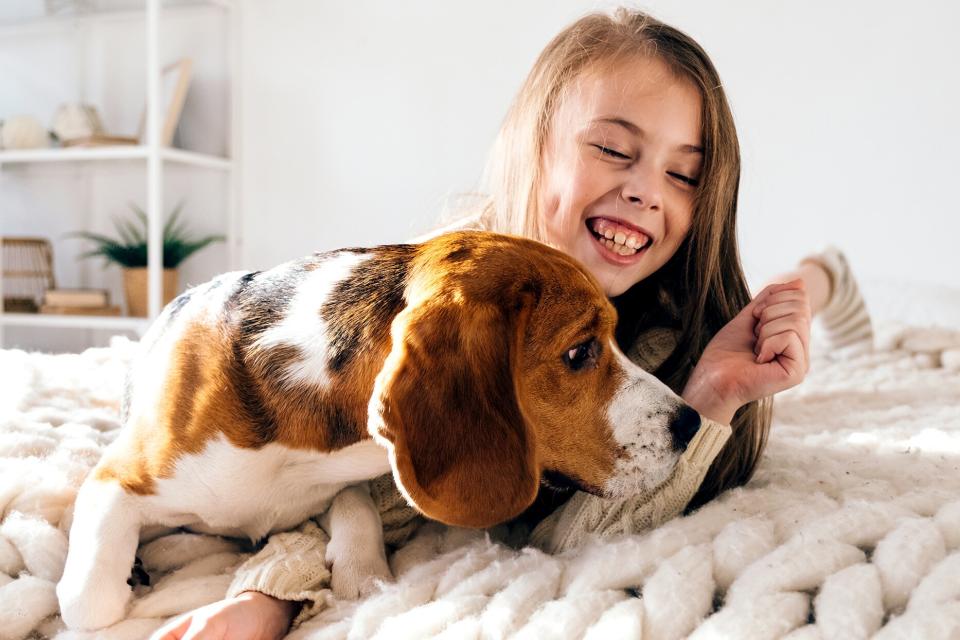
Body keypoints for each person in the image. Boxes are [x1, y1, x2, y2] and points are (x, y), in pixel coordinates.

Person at [150, 8, 873, 639]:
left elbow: (595, 536)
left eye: (685, 175)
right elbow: (346, 485)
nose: (646, 190)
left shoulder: (666, 336)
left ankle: (823, 270)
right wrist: (268, 595)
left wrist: (712, 393)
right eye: (615, 150)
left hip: (720, 308)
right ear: (533, 146)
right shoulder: (449, 310)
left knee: (792, 285)